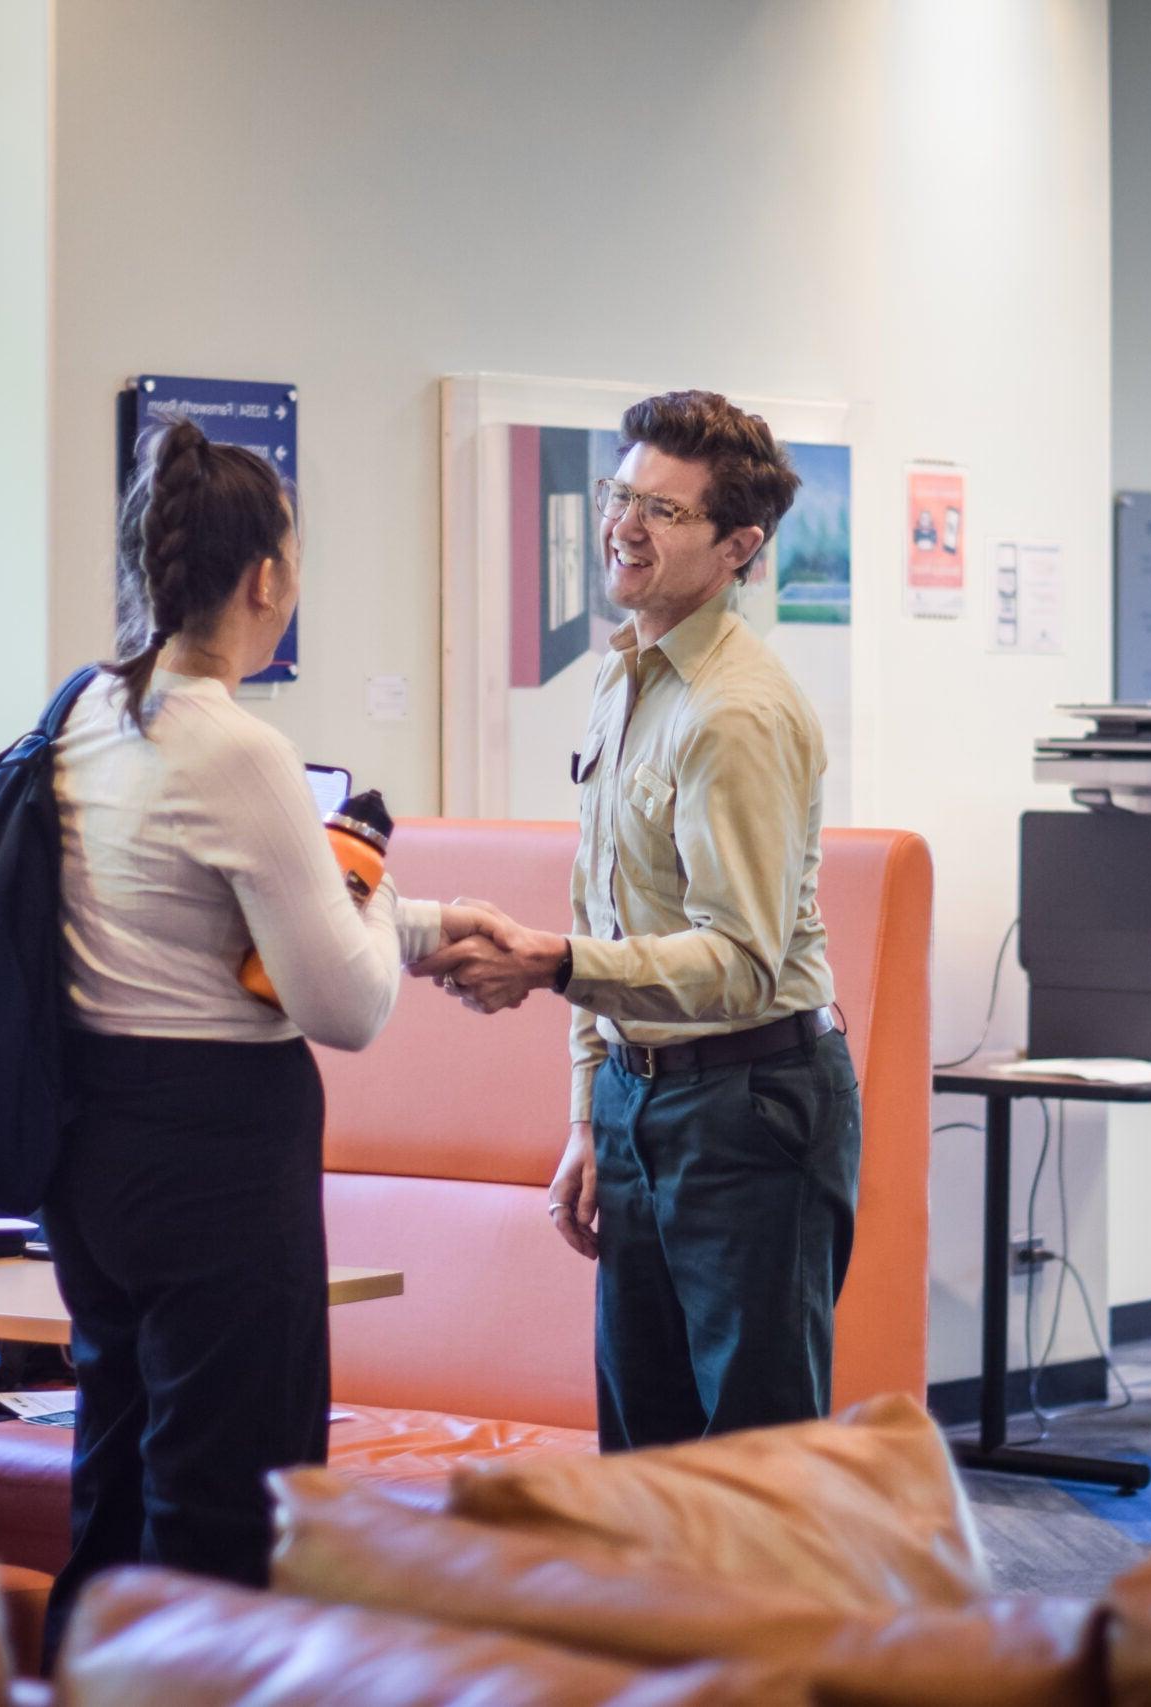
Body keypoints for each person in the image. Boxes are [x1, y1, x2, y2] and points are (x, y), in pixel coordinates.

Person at [39, 416, 497, 1654]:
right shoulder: (237, 748)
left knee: (121, 1465)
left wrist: (425, 918)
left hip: (90, 1148)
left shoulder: (85, 717)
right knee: (230, 1504)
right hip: (215, 1160)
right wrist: (377, 906)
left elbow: (221, 932)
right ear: (266, 580)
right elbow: (342, 1005)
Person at [412, 390, 861, 1452]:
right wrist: (588, 1115)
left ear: (739, 546)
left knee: (756, 1467)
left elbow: (742, 962)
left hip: (752, 1106)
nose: (623, 524)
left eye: (663, 511)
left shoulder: (734, 711)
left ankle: (767, 1631)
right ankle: (661, 1628)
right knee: (644, 1456)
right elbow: (600, 899)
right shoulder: (626, 677)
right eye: (621, 494)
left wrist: (556, 967)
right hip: (639, 1098)